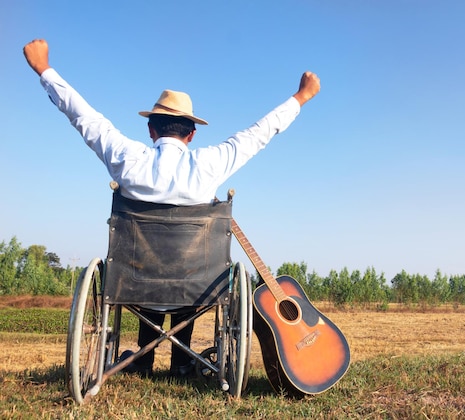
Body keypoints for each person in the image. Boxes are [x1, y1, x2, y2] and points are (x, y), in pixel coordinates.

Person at [23, 38, 320, 377]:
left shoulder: (128, 159)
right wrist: (300, 98)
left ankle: (144, 360)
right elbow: (258, 134)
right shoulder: (211, 164)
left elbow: (85, 118)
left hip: (133, 283)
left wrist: (44, 69)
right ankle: (182, 361)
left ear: (151, 130)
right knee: (188, 273)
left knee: (146, 273)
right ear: (192, 135)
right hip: (195, 287)